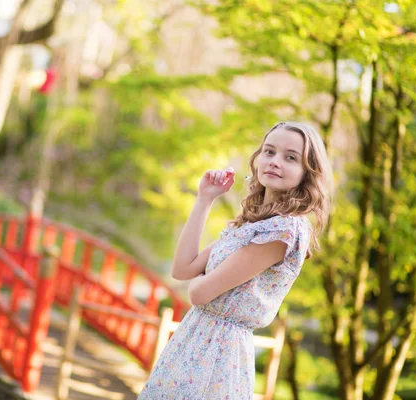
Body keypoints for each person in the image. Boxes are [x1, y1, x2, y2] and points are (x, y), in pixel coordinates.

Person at [138, 121, 333, 399]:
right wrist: (204, 199)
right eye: (269, 152)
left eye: (290, 157)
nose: (275, 162)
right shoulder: (252, 223)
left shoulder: (285, 229)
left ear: (307, 171)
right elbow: (183, 269)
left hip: (219, 353)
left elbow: (200, 293)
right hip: (193, 339)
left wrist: (200, 286)